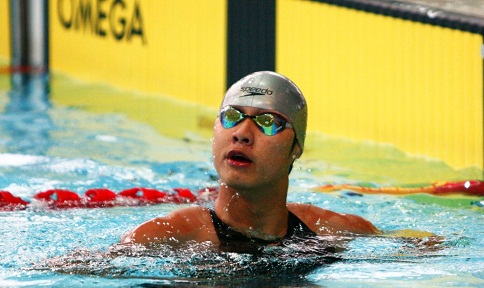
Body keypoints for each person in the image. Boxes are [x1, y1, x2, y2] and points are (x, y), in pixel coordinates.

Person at [120, 71, 436, 252]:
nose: (242, 134)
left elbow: (427, 245)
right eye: (232, 117)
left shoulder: (327, 229)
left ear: (296, 147)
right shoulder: (169, 235)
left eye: (268, 122)